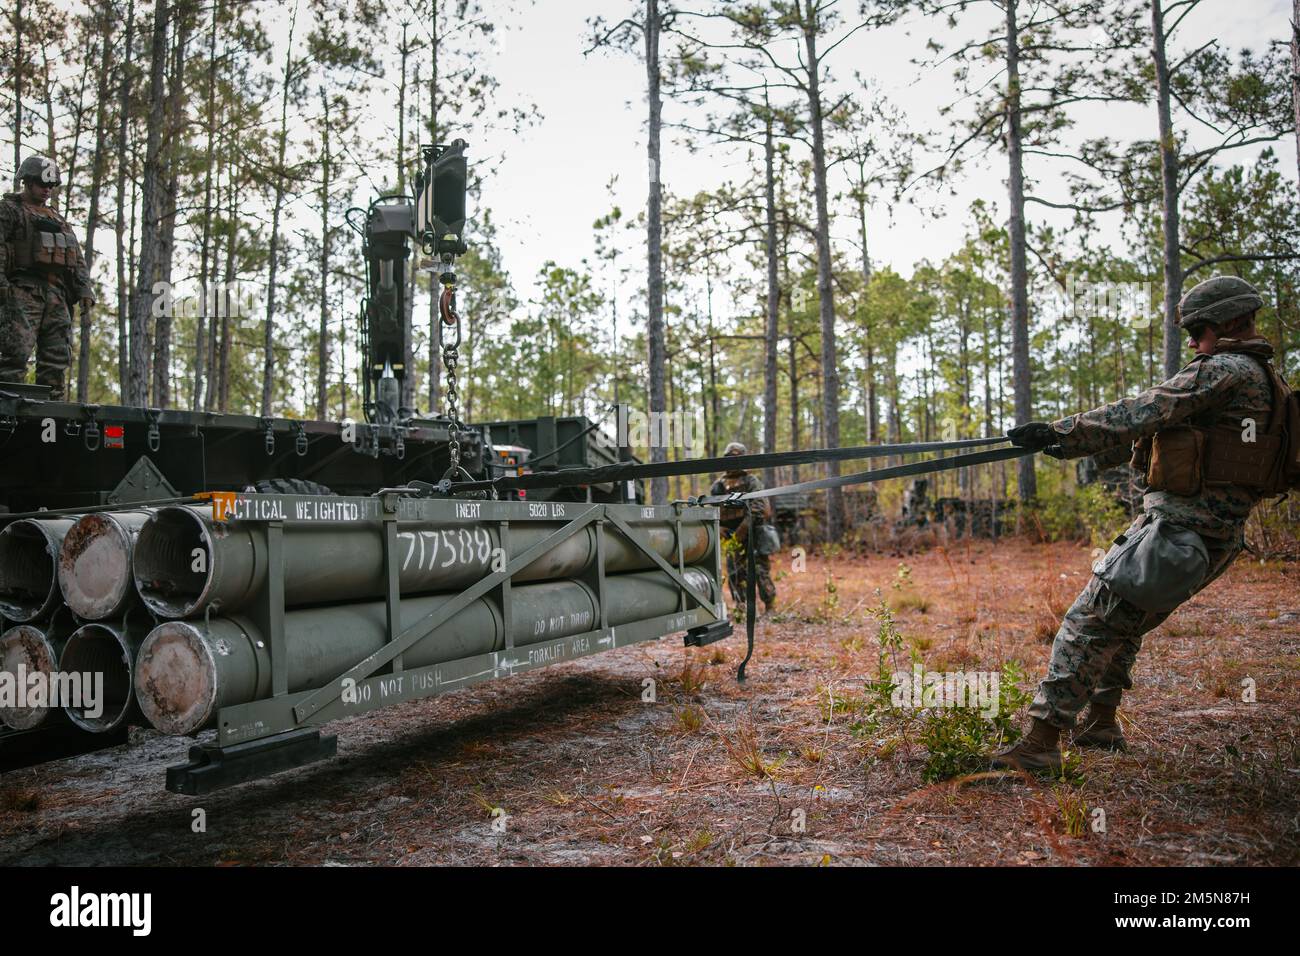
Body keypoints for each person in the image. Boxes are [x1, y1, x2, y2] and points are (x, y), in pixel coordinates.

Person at [995, 275, 1286, 772]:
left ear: (1232, 322)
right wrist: (1074, 447)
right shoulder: (1262, 380)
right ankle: (1102, 723)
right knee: (1124, 626)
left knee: (1088, 625)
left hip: (1179, 533)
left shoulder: (1227, 371)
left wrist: (1063, 431)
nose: (1193, 342)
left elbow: (1149, 407)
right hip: (1204, 536)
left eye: (1199, 329)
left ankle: (1041, 744)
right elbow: (1168, 429)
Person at [0, 156, 94, 399]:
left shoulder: (58, 220)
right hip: (22, 292)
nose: (47, 190)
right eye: (42, 184)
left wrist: (84, 290)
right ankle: (8, 411)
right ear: (27, 182)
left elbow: (76, 257)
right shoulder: (9, 210)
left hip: (56, 296)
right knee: (14, 354)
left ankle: (52, 414)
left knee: (56, 359)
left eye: (51, 186)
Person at [710, 442, 778, 614]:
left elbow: (758, 507)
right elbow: (711, 510)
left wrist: (743, 528)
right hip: (730, 535)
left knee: (760, 570)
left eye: (737, 458)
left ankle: (769, 606)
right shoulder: (718, 486)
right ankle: (741, 606)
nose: (733, 462)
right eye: (730, 458)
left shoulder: (751, 481)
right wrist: (719, 529)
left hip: (752, 532)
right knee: (735, 572)